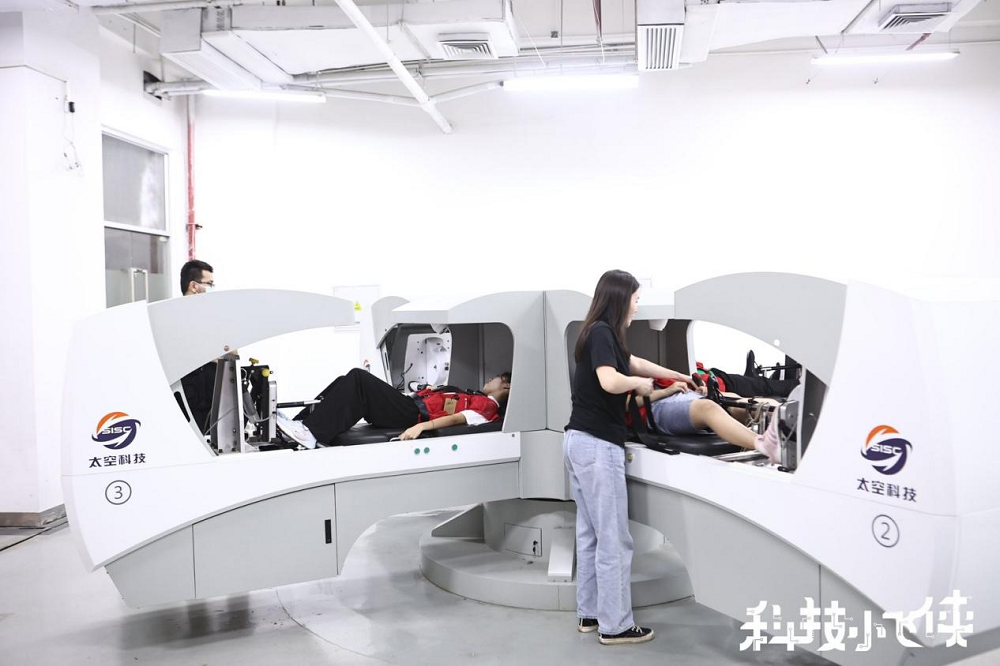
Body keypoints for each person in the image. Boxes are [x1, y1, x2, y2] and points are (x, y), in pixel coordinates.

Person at [565, 269, 701, 646]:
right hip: (597, 445)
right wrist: (639, 386)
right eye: (636, 300)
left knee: (590, 535)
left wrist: (677, 376)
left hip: (577, 440)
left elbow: (635, 362)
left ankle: (590, 613)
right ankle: (616, 625)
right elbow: (611, 380)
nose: (637, 307)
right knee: (614, 539)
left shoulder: (595, 333)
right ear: (620, 298)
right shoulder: (603, 333)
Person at [274, 368, 511, 449]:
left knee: (359, 378)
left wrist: (421, 427)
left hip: (411, 415)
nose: (489, 380)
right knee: (344, 380)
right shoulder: (474, 396)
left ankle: (310, 433)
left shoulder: (487, 408)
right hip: (410, 405)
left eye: (495, 379)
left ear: (507, 386)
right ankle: (301, 425)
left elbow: (456, 419)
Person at [178, 259, 217, 434]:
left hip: (209, 397)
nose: (212, 289)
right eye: (209, 284)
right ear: (194, 286)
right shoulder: (174, 317)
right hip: (190, 400)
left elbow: (230, 353)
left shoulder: (207, 317)